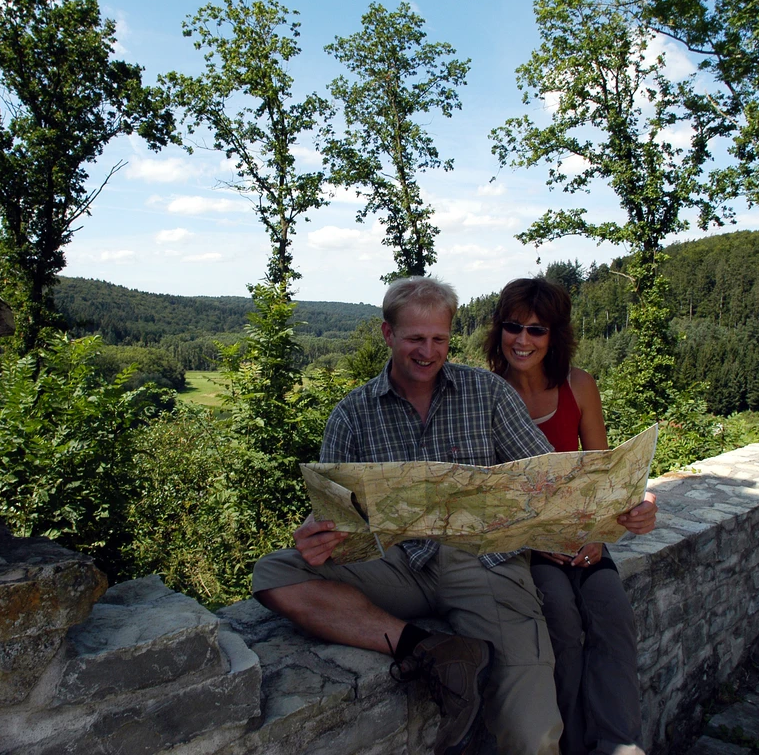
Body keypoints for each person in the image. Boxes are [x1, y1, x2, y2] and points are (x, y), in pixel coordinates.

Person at [252, 276, 564, 755]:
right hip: (394, 564)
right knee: (275, 572)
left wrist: (621, 506)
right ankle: (429, 650)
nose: (428, 351)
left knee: (532, 731)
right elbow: (336, 517)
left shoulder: (489, 394)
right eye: (416, 338)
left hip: (482, 562)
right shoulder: (352, 414)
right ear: (387, 334)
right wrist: (315, 535)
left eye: (439, 339)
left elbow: (548, 479)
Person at [485, 277, 657, 755]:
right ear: (498, 331)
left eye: (537, 330)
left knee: (612, 613)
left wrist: (609, 528)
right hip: (526, 542)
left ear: (554, 335)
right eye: (513, 327)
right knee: (560, 619)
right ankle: (570, 743)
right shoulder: (484, 393)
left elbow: (602, 474)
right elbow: (486, 493)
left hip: (582, 537)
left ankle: (618, 742)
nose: (523, 340)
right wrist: (535, 540)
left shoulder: (579, 386)